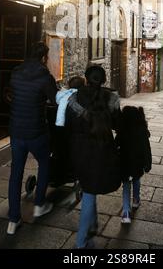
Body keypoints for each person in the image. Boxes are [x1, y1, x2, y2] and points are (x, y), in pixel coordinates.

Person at [65, 65, 121, 249]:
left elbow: (68, 125)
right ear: (103, 80)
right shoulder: (111, 98)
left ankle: (90, 229)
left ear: (86, 79)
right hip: (103, 150)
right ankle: (81, 242)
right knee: (90, 191)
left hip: (80, 151)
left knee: (89, 190)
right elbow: (117, 125)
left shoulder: (74, 98)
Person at [7, 41, 58, 235]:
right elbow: (54, 100)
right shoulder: (45, 76)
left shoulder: (16, 72)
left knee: (15, 173)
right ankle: (39, 204)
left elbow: (14, 94)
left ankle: (13, 219)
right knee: (45, 163)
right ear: (44, 57)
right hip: (36, 131)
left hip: (16, 131)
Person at [116, 106, 152, 224]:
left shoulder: (121, 131)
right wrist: (148, 164)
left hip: (125, 163)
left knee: (126, 186)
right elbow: (147, 149)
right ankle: (136, 200)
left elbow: (115, 145)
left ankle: (126, 212)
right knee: (136, 180)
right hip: (137, 163)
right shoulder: (142, 131)